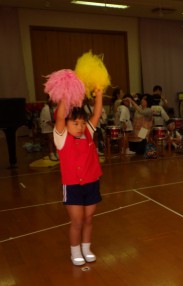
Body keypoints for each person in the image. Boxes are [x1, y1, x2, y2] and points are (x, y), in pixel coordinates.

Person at [53, 88, 104, 266]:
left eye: (82, 123)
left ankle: (86, 248)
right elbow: (60, 117)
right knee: (77, 220)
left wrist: (98, 93)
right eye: (75, 123)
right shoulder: (61, 136)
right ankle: (74, 251)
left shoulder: (88, 131)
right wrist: (65, 97)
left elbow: (97, 113)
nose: (80, 127)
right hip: (73, 185)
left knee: (89, 218)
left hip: (92, 182)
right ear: (66, 124)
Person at [40, 97, 58, 161]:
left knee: (57, 139)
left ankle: (57, 152)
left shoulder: (57, 107)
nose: (56, 102)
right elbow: (47, 120)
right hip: (48, 125)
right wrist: (55, 126)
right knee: (51, 139)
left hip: (56, 125)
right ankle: (51, 153)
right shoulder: (46, 109)